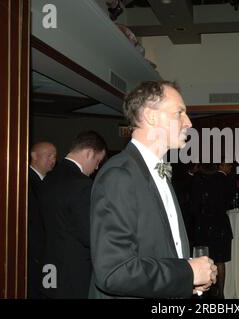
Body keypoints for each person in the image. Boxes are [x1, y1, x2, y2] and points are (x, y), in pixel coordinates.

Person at [89, 81, 217, 298]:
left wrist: (186, 281)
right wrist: (188, 272)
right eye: (179, 113)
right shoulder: (119, 176)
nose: (188, 122)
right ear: (151, 116)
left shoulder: (158, 171)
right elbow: (113, 272)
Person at [40, 131, 107, 298]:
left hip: (48, 266)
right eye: (97, 161)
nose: (96, 168)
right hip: (74, 272)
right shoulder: (83, 185)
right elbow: (89, 235)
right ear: (89, 153)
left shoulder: (48, 178)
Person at [190, 161, 235, 299]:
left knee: (203, 258)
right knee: (220, 260)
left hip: (203, 225)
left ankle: (204, 292)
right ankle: (220, 293)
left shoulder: (197, 180)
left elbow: (193, 206)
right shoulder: (223, 180)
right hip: (220, 224)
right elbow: (229, 201)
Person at [28, 141, 57, 298]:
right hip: (33, 253)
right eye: (49, 155)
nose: (53, 160)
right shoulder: (25, 181)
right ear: (34, 156)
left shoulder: (50, 181)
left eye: (54, 156)